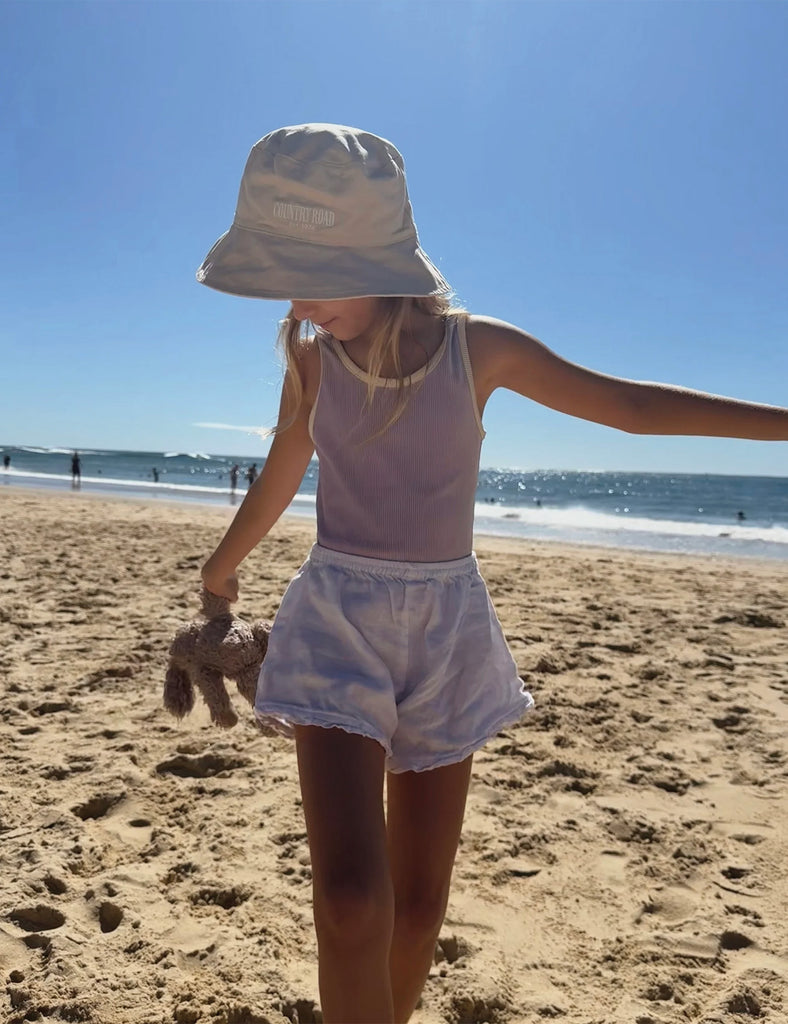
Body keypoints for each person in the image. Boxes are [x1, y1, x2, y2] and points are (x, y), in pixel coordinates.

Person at [196, 124, 788, 1024]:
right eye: (282, 279)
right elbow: (285, 468)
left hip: (448, 633)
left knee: (421, 904)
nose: (299, 303)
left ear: (380, 255)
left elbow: (628, 409)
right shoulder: (312, 363)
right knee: (353, 898)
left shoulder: (481, 350)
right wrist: (223, 565)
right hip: (337, 621)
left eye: (312, 274)